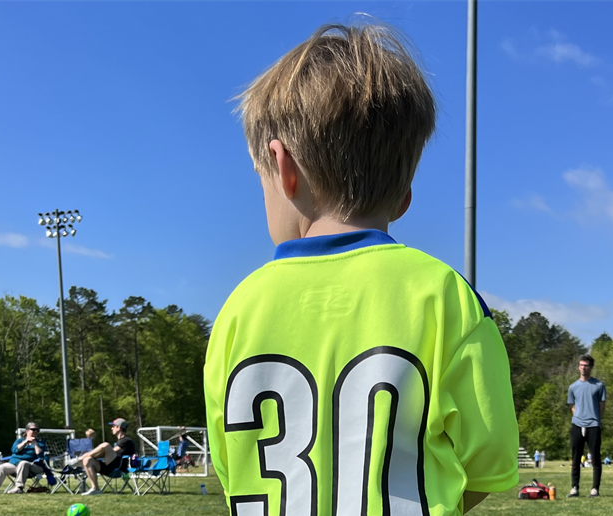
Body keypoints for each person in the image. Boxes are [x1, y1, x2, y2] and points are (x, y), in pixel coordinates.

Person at [203, 21, 519, 516]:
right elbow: (486, 467)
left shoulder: (239, 309)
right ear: (405, 195)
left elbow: (232, 469)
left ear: (282, 168)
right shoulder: (445, 296)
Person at [566, 354, 606, 498]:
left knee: (595, 458)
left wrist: (595, 419)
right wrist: (579, 417)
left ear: (591, 367)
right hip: (577, 425)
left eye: (586, 365)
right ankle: (574, 487)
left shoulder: (599, 385)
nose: (583, 368)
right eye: (581, 365)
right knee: (576, 458)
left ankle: (595, 488)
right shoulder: (573, 387)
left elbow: (602, 406)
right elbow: (572, 405)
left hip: (593, 425)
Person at [76, 418, 136, 496]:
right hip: (110, 467)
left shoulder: (127, 440)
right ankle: (95, 489)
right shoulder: (119, 441)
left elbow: (112, 451)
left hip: (119, 468)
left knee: (106, 445)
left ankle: (78, 460)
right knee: (87, 460)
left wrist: (94, 454)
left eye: (113, 426)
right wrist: (91, 456)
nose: (111, 428)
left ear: (119, 427)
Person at [0, 422, 45, 494]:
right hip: (15, 466)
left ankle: (19, 488)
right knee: (2, 467)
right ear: (27, 431)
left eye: (37, 430)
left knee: (23, 463)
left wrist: (35, 444)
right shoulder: (20, 441)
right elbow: (14, 450)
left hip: (33, 467)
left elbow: (40, 455)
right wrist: (25, 442)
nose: (36, 431)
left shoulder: (40, 442)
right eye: (33, 429)